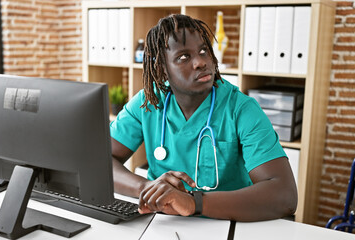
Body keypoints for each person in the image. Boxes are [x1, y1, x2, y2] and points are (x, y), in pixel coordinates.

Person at [110, 14, 297, 221]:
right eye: (184, 57)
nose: (200, 62)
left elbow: (284, 195)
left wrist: (193, 202)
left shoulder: (241, 109)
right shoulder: (149, 101)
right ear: (162, 69)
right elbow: (102, 160)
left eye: (203, 51)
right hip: (162, 223)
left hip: (228, 224)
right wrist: (148, 188)